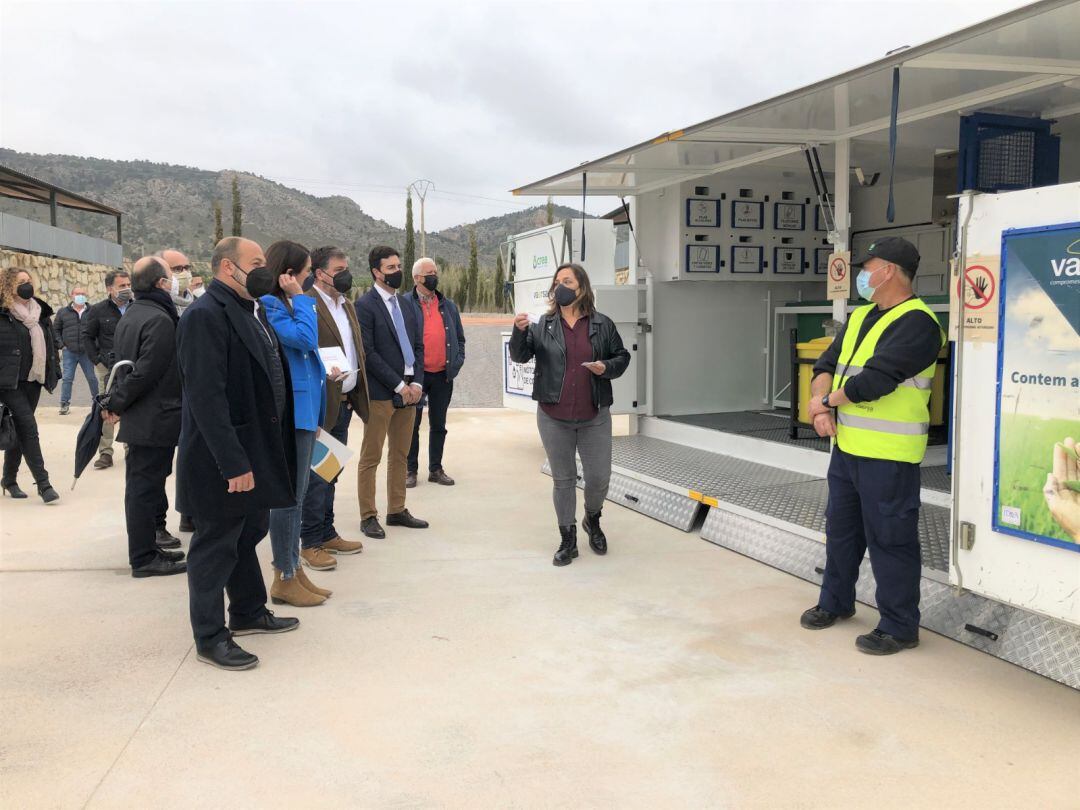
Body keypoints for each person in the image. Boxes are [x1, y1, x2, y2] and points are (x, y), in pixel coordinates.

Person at [801, 237, 945, 656]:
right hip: (847, 447)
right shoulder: (862, 315)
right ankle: (836, 603)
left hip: (890, 454)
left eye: (871, 266)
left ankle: (899, 627)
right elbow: (827, 364)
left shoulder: (919, 323)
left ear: (893, 271)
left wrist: (825, 402)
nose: (864, 274)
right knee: (841, 531)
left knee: (891, 538)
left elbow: (876, 381)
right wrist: (822, 409)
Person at [176, 237, 299, 671]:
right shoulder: (205, 316)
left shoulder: (255, 309)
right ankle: (210, 636)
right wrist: (233, 463)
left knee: (250, 530)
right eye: (257, 263)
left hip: (257, 448)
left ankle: (248, 610)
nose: (265, 269)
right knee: (215, 546)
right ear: (228, 268)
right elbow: (206, 398)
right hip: (223, 459)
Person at [510, 263, 630, 566]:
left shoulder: (602, 324)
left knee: (599, 478)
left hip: (595, 415)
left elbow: (622, 356)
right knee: (563, 480)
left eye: (567, 281)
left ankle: (592, 518)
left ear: (581, 287)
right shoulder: (542, 324)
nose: (560, 286)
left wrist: (606, 368)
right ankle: (568, 539)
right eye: (557, 281)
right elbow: (520, 355)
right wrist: (517, 331)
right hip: (554, 415)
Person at [260, 240, 337, 605]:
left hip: (307, 413)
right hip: (292, 414)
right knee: (288, 498)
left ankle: (293, 567)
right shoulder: (272, 305)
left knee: (299, 494)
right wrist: (303, 300)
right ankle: (284, 573)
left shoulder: (289, 303)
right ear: (288, 274)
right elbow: (306, 339)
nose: (309, 278)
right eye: (305, 271)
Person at [101, 257, 187, 578]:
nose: (175, 281)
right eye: (171, 275)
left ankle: (148, 546)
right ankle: (143, 557)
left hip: (145, 417)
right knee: (143, 489)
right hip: (154, 417)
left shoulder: (134, 314)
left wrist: (116, 401)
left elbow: (123, 366)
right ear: (161, 284)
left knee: (143, 487)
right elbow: (145, 373)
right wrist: (117, 403)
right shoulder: (160, 320)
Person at [299, 246, 369, 570]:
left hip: (344, 404)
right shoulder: (306, 303)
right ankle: (310, 541)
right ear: (319, 272)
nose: (345, 274)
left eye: (347, 268)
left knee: (331, 472)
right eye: (339, 269)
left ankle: (327, 532)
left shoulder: (347, 306)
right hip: (320, 406)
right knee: (316, 476)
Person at [355, 246, 428, 539]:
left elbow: (419, 346)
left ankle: (397, 509)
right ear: (376, 272)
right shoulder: (365, 305)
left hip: (410, 392)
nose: (397, 272)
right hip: (382, 393)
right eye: (390, 268)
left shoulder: (407, 304)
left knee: (400, 453)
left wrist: (417, 384)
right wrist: (398, 385)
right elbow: (368, 353)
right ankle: (368, 515)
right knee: (371, 456)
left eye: (399, 266)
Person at [0, 268, 60, 504]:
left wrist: (54, 370)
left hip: (34, 380)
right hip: (9, 383)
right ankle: (44, 485)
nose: (27, 285)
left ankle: (9, 479)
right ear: (8, 286)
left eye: (28, 281)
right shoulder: (4, 313)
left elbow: (50, 342)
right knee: (29, 428)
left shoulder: (40, 312)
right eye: (20, 282)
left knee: (19, 429)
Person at [406, 257, 465, 489]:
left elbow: (460, 338)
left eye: (436, 272)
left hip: (443, 375)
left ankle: (436, 469)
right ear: (417, 278)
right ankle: (410, 470)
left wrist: (457, 362)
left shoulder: (448, 305)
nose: (434, 276)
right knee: (412, 425)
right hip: (416, 377)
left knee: (439, 424)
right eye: (430, 272)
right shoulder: (405, 304)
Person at [83, 269, 132, 469]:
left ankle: (131, 448)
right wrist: (96, 360)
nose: (127, 289)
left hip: (130, 367)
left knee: (131, 406)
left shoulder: (136, 308)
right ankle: (105, 452)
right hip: (107, 368)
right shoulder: (98, 310)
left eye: (128, 285)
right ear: (109, 289)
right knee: (106, 408)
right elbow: (87, 336)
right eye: (122, 286)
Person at [53, 285, 99, 415]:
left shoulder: (93, 311)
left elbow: (98, 329)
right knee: (67, 378)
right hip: (69, 352)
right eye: (77, 293)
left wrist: (95, 346)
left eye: (83, 293)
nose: (80, 296)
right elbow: (56, 330)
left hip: (87, 352)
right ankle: (64, 404)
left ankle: (97, 402)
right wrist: (62, 345)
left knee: (91, 378)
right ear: (71, 295)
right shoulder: (63, 312)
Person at [156, 248, 197, 315]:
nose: (184, 273)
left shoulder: (198, 303)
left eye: (186, 268)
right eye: (177, 269)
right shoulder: (156, 307)